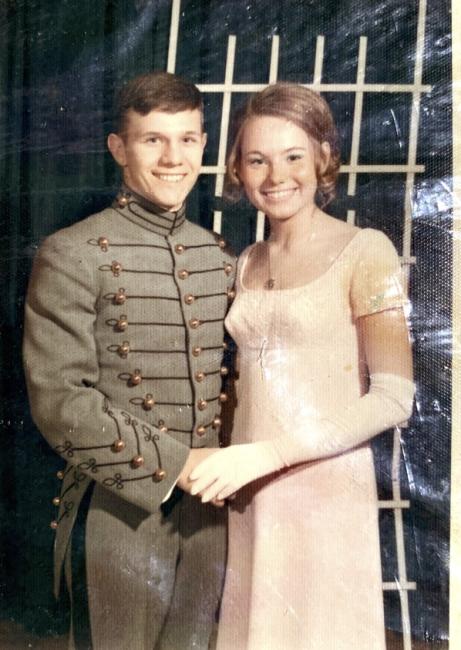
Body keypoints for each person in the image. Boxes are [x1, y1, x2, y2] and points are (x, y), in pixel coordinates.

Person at [188, 83, 415, 649]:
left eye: (293, 156)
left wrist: (269, 454)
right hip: (250, 489)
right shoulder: (246, 261)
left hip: (325, 490)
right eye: (257, 159)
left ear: (323, 157)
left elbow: (394, 397)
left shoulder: (369, 251)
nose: (276, 176)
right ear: (237, 170)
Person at [23, 71, 236, 650]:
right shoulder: (73, 252)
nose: (174, 158)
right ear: (119, 148)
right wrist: (178, 465)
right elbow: (60, 402)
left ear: (203, 144)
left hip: (211, 517)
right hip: (119, 507)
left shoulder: (216, 254)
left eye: (188, 139)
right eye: (153, 140)